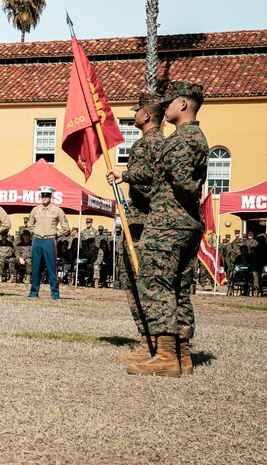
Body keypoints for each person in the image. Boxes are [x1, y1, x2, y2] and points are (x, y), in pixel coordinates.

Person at [108, 80, 209, 377]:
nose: (165, 108)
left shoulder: (182, 140)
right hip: (182, 222)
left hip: (168, 223)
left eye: (170, 102)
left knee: (157, 284)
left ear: (183, 104)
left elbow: (182, 182)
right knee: (177, 287)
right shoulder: (187, 137)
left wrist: (166, 201)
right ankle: (182, 355)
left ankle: (165, 355)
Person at [114, 92, 167, 364]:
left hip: (142, 223)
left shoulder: (150, 144)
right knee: (139, 282)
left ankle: (153, 343)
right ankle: (149, 341)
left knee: (142, 282)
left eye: (137, 110)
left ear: (146, 115)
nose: (134, 114)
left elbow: (150, 177)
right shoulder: (157, 143)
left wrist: (122, 175)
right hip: (142, 220)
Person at [28, 186, 70, 299]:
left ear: (51, 196)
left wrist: (56, 234)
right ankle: (33, 292)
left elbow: (66, 227)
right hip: (37, 240)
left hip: (49, 241)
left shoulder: (57, 210)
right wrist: (35, 231)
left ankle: (55, 294)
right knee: (36, 267)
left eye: (46, 196)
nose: (44, 198)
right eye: (42, 196)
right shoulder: (35, 210)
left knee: (52, 268)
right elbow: (30, 224)